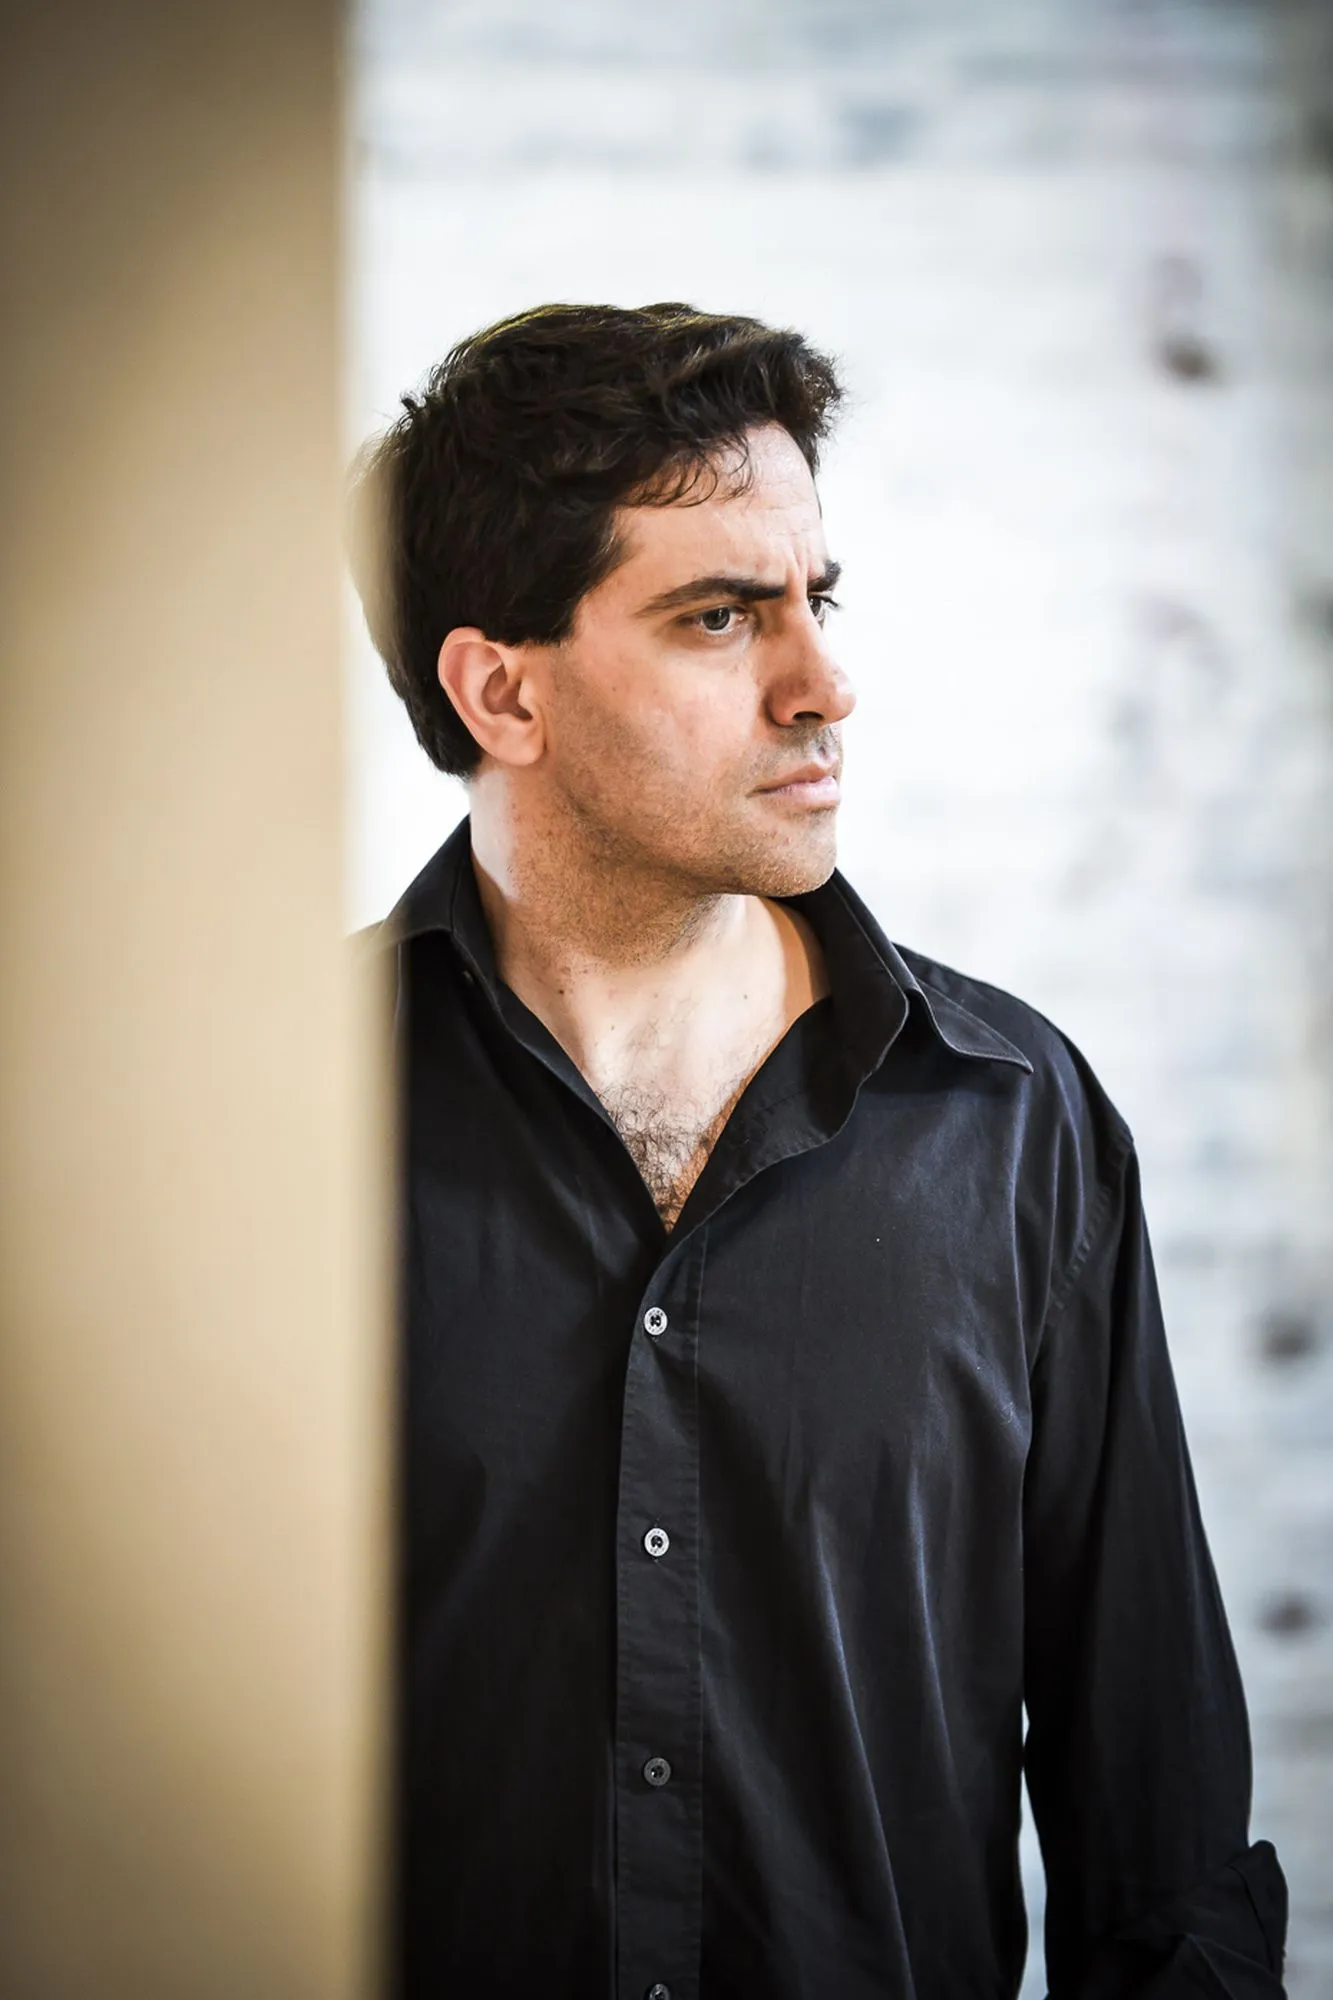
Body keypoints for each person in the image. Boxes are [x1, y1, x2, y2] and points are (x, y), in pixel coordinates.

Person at [348, 303, 1288, 1999]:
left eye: (817, 600)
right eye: (721, 618)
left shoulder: (1016, 1125)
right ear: (502, 690)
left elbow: (1163, 1863)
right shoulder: (274, 1123)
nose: (824, 685)